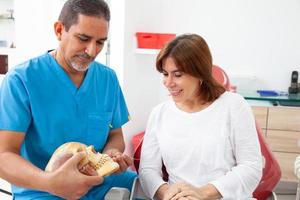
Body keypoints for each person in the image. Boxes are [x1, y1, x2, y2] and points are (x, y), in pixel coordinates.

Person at [0, 0, 136, 199]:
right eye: (83, 38)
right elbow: (4, 156)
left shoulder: (108, 79)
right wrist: (50, 183)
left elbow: (115, 135)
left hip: (99, 182)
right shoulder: (22, 80)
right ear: (59, 30)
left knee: (152, 188)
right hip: (43, 190)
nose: (91, 51)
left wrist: (111, 155)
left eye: (100, 42)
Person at [139, 34, 262, 200]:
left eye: (177, 74)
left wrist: (202, 193)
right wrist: (168, 193)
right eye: (165, 74)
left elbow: (251, 167)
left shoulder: (234, 106)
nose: (168, 83)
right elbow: (147, 170)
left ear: (200, 73)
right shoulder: (159, 113)